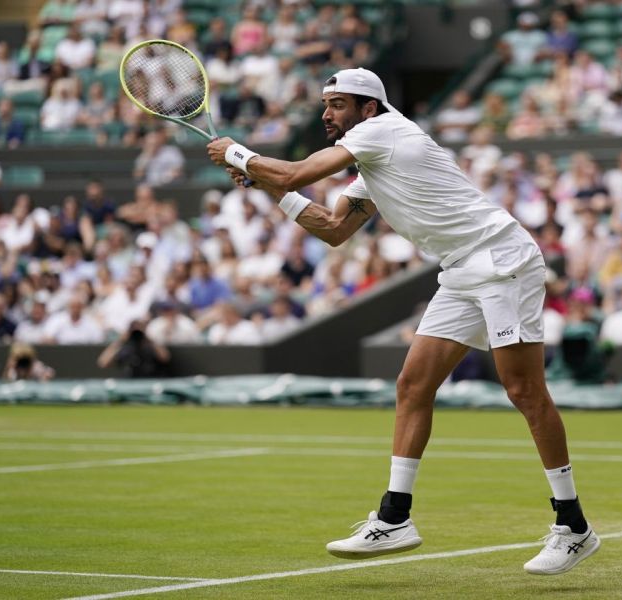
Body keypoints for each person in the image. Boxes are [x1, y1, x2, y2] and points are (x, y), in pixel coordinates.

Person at [206, 67, 598, 573]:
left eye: (339, 104)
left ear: (368, 108)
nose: (327, 113)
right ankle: (394, 517)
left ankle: (574, 527)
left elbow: (296, 172)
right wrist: (264, 185)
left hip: (503, 260)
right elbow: (331, 228)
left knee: (524, 391)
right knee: (413, 386)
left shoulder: (382, 132)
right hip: (460, 271)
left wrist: (240, 155)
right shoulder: (370, 157)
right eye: (326, 104)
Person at [97, 320, 171, 377]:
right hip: (130, 384)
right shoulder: (126, 349)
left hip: (149, 383)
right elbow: (103, 363)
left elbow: (165, 358)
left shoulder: (150, 347)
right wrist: (120, 341)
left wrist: (149, 339)